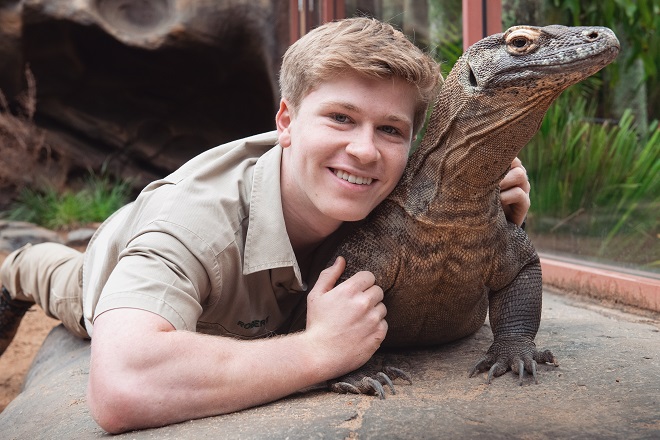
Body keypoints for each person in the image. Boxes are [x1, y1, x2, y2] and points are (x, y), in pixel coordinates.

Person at [0, 17, 531, 433]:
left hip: (268, 292)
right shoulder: (193, 225)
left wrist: (478, 211)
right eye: (340, 118)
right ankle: (14, 269)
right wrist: (317, 350)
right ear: (285, 122)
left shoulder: (392, 186)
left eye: (390, 129)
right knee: (57, 277)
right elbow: (122, 385)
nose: (365, 150)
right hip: (120, 262)